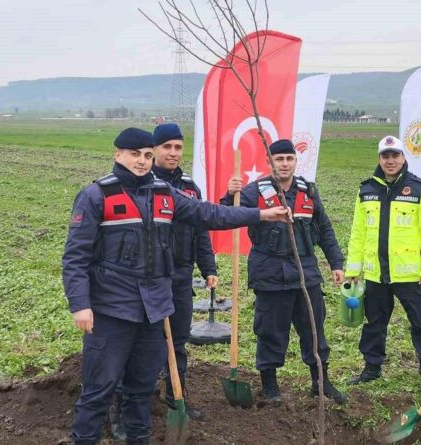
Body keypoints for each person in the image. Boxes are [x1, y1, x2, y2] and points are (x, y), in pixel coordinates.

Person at [63, 127, 288, 445]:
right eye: (134, 154)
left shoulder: (163, 194)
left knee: (141, 388)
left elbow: (211, 214)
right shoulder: (97, 195)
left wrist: (260, 214)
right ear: (118, 155)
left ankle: (138, 439)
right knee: (99, 388)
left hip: (154, 308)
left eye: (146, 155)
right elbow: (75, 256)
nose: (142, 161)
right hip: (111, 309)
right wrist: (80, 304)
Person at [106, 123, 214, 439]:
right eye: (166, 147)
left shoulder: (191, 188)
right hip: (145, 282)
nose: (173, 153)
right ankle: (122, 406)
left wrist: (208, 267)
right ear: (153, 152)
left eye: (178, 147)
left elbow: (201, 230)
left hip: (179, 277)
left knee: (177, 341)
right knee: (135, 347)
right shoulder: (143, 186)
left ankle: (175, 397)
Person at [222, 139, 347, 405]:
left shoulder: (308, 191)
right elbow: (228, 214)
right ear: (270, 162)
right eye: (279, 159)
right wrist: (228, 193)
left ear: (295, 161)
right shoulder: (254, 191)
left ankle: (320, 382)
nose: (284, 164)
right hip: (270, 273)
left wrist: (336, 263)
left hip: (306, 272)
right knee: (270, 331)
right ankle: (269, 387)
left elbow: (324, 229)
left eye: (289, 159)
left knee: (314, 330)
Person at [344, 135, 421, 398]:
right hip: (376, 273)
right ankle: (372, 367)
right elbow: (358, 232)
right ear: (379, 159)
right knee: (374, 323)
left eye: (395, 156)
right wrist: (353, 270)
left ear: (403, 158)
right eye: (385, 156)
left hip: (411, 275)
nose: (390, 161)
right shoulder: (366, 190)